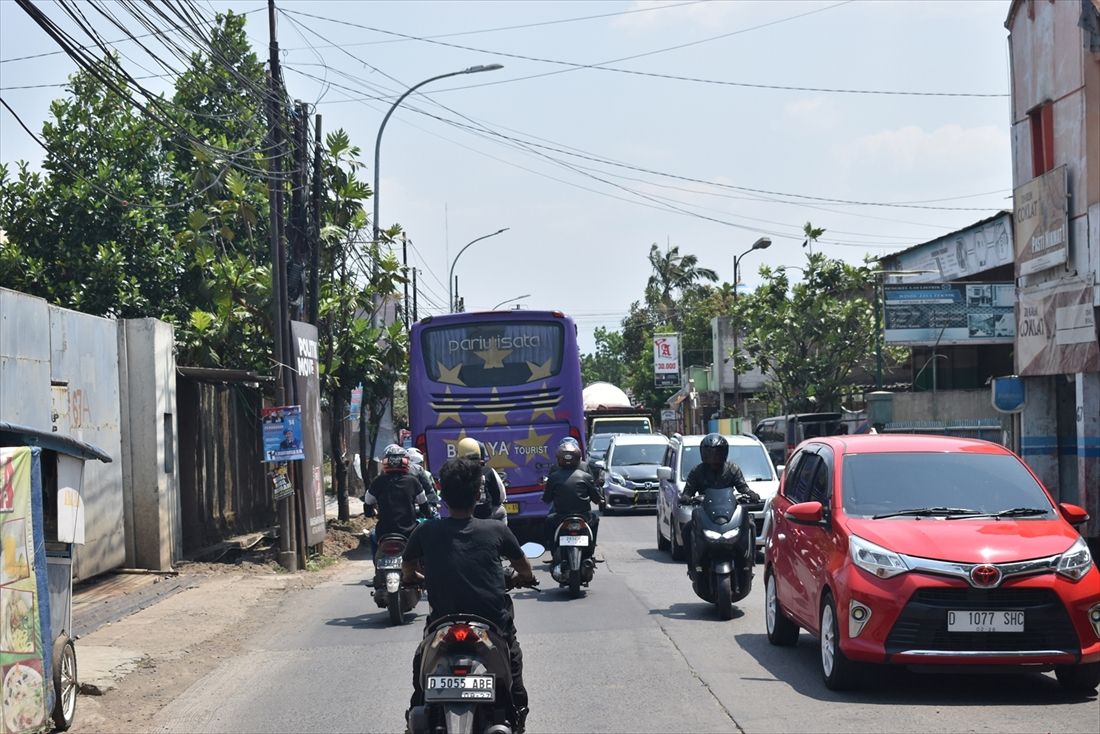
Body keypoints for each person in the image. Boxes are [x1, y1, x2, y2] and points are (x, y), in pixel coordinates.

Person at [402, 456, 536, 731]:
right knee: (513, 664)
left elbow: (407, 571)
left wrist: (419, 580)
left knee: (420, 669)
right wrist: (524, 578)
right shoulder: (497, 529)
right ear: (478, 494)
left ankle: (416, 714)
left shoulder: (425, 532)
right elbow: (524, 568)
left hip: (442, 625)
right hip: (492, 626)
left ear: (442, 493)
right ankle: (517, 718)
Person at [680, 433, 761, 571]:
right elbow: (687, 491)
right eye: (709, 453)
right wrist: (686, 498)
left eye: (717, 452)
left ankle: (749, 562)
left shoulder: (732, 469)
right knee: (687, 529)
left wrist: (751, 494)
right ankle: (692, 566)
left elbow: (743, 487)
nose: (713, 457)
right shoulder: (697, 471)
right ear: (702, 453)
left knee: (751, 525)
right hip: (706, 514)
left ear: (725, 452)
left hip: (729, 514)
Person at [364, 444, 433, 555]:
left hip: (384, 532)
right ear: (406, 462)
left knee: (372, 536)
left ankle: (377, 566)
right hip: (409, 532)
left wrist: (370, 512)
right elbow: (424, 504)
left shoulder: (378, 481)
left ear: (385, 462)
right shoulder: (413, 481)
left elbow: (367, 502)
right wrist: (428, 513)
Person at [542, 438, 605, 549]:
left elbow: (547, 498)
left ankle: (552, 548)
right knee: (595, 519)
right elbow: (596, 498)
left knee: (548, 521)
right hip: (584, 514)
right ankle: (592, 546)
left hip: (560, 515)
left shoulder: (553, 476)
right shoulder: (586, 475)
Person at [455, 436, 507, 520]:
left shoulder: (455, 473)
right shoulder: (488, 471)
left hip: (463, 518)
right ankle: (501, 533)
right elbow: (500, 497)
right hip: (487, 517)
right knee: (502, 511)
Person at [405, 448, 440, 517]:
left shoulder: (397, 475)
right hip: (422, 510)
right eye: (421, 463)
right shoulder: (426, 473)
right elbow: (431, 491)